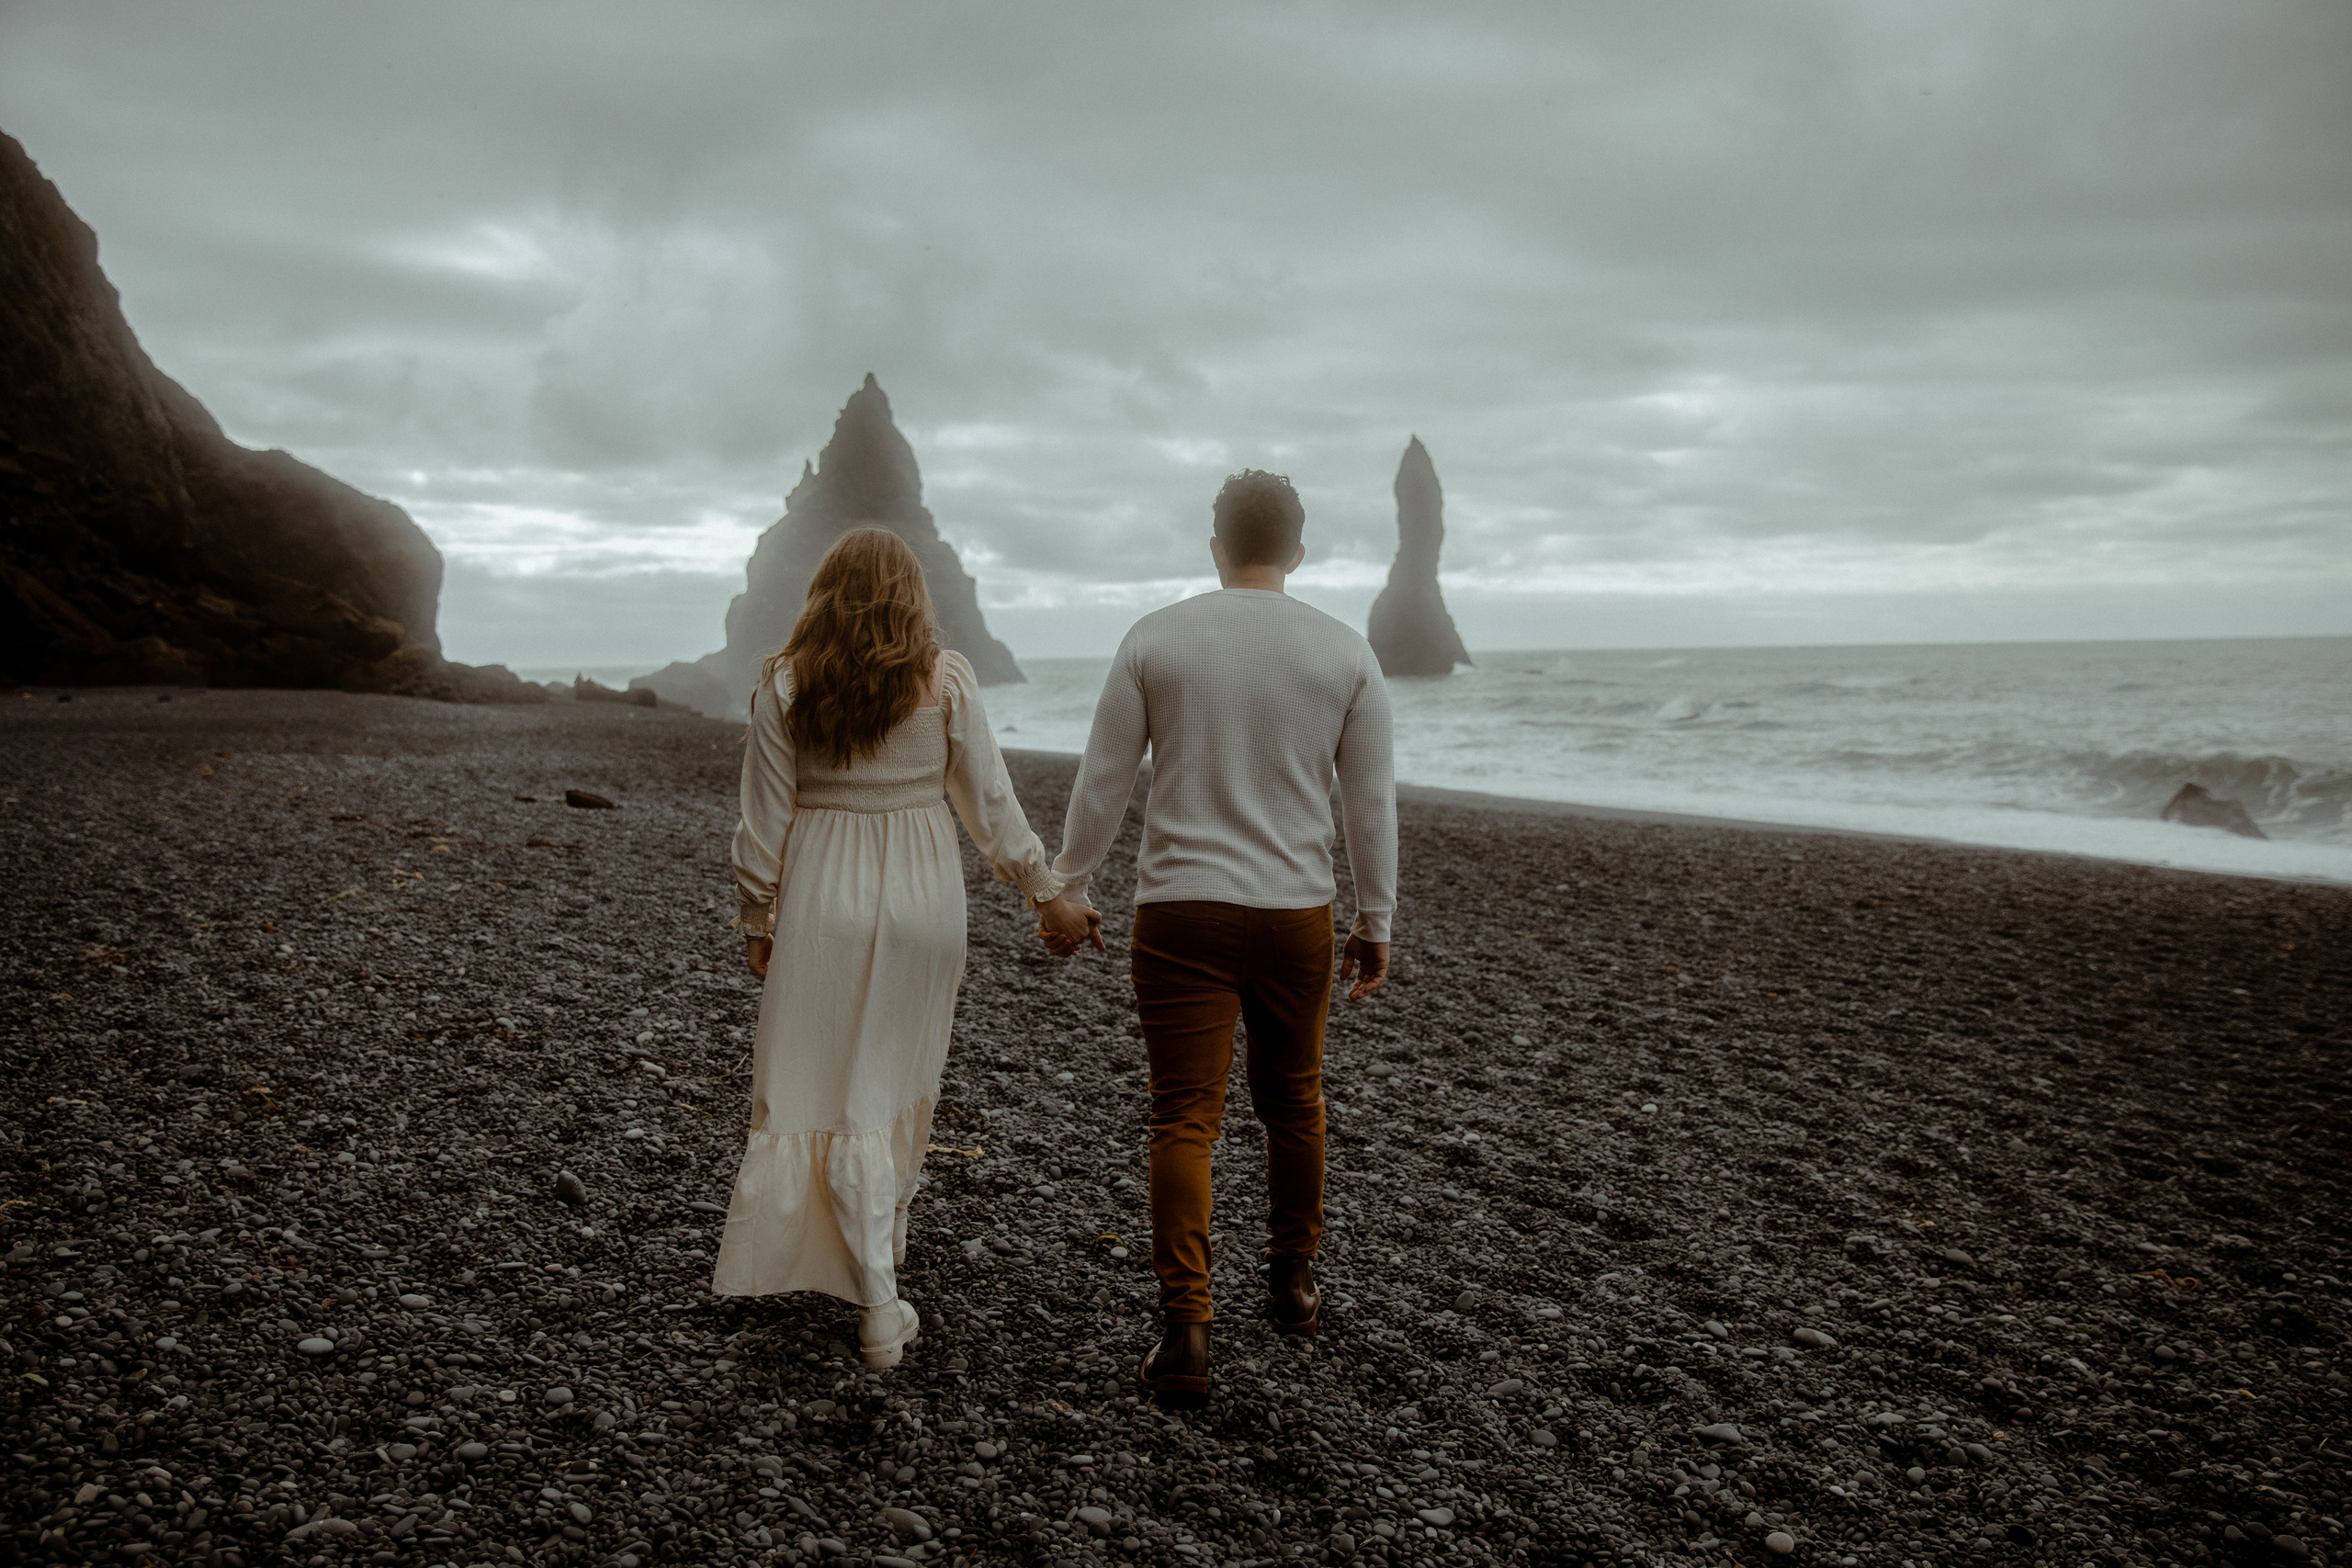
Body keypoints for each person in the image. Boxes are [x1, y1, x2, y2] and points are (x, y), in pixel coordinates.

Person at [1041, 469, 1396, 1410]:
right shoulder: (1346, 653)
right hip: (1296, 915)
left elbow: (1104, 780)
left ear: (1213, 544)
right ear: (1298, 550)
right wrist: (1376, 919)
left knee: (1184, 1116)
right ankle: (1291, 1284)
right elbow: (1368, 805)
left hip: (1181, 912)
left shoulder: (1158, 637)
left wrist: (1068, 883)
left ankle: (1188, 1329)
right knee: (1295, 1104)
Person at [712, 526, 1095, 1368]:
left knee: (822, 1085)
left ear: (824, 593)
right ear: (911, 597)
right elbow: (990, 804)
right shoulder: (946, 680)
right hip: (927, 898)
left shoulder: (784, 684)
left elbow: (762, 824)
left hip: (824, 897)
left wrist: (756, 918)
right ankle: (879, 1264)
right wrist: (1047, 893)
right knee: (889, 1083)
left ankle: (876, 1302)